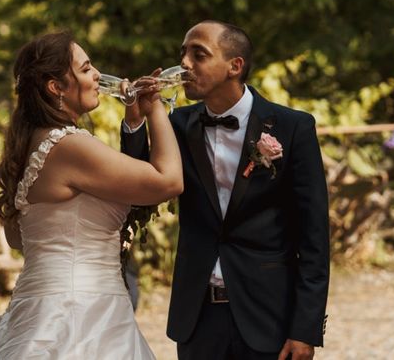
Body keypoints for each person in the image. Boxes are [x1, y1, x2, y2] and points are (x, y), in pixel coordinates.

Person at [122, 21, 330, 360]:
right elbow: (138, 189)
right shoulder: (177, 125)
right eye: (183, 54)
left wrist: (305, 328)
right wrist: (135, 122)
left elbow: (314, 236)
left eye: (198, 54)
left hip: (269, 315)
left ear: (235, 66)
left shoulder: (294, 127)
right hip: (198, 319)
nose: (185, 63)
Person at [0, 31, 183, 359]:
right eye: (87, 67)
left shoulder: (32, 144)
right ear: (56, 86)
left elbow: (20, 239)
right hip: (83, 313)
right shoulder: (70, 145)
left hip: (42, 305)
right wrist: (154, 108)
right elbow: (169, 181)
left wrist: (133, 125)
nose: (97, 76)